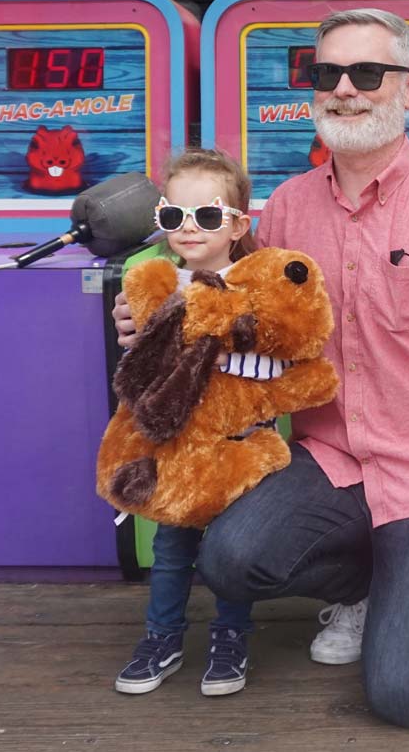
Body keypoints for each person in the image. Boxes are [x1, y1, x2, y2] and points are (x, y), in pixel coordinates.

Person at [112, 9, 409, 727]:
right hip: (333, 460)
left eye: (366, 73)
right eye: (327, 74)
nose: (344, 88)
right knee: (228, 556)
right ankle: (379, 582)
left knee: (402, 694)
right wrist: (150, 321)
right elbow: (224, 306)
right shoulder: (284, 209)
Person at [111, 147, 263, 698]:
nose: (188, 229)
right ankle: (162, 636)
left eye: (206, 216)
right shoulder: (151, 279)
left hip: (241, 445)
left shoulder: (257, 284)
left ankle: (231, 634)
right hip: (176, 447)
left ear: (238, 224)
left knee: (231, 552)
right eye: (174, 217)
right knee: (172, 549)